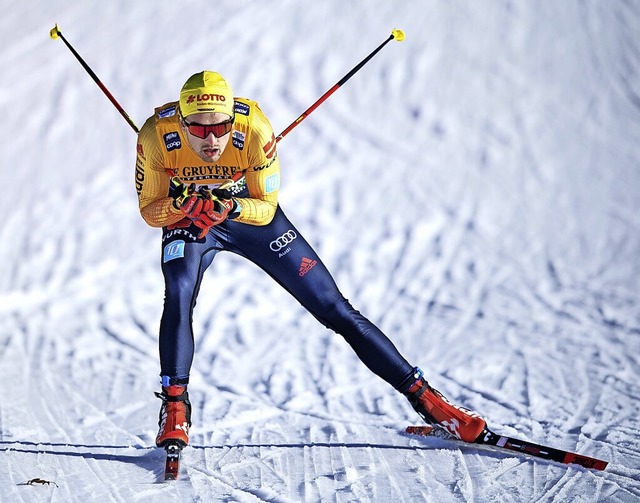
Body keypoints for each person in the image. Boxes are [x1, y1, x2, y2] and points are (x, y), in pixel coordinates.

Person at [135, 71, 487, 449]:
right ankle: (175, 410)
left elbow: (266, 208)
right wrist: (179, 205)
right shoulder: (156, 136)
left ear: (232, 120)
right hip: (191, 220)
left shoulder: (254, 130)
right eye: (199, 130)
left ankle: (431, 404)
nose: (211, 139)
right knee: (179, 292)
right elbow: (149, 209)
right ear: (182, 122)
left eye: (220, 127)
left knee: (334, 307)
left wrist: (231, 206)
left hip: (249, 217)